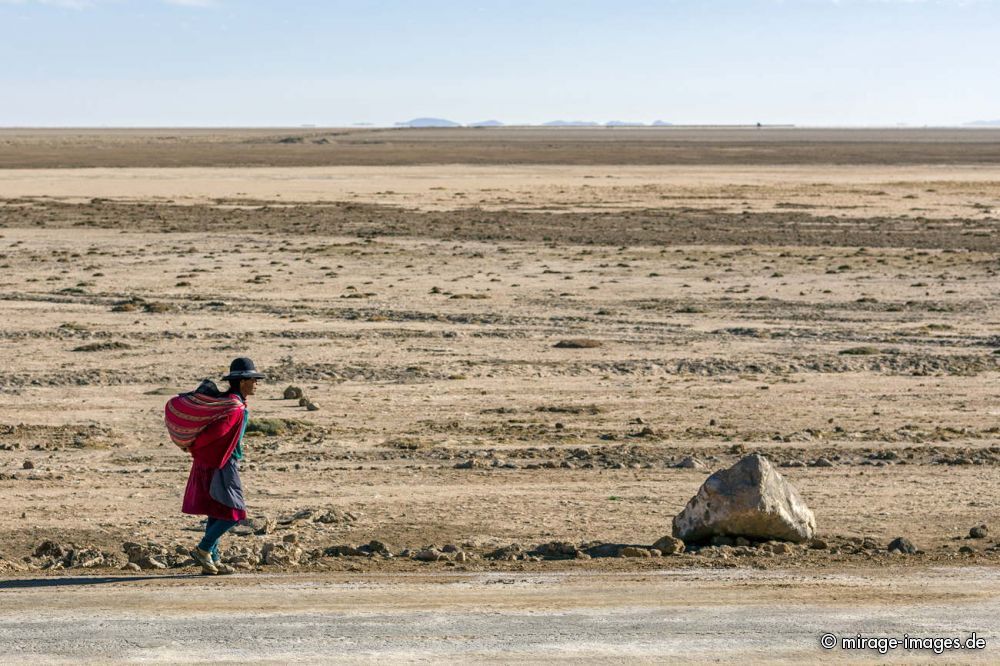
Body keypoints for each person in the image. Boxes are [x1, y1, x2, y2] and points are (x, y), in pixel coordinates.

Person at [181, 357, 264, 575]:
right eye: (254, 379)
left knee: (216, 510)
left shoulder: (230, 402)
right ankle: (204, 548)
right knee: (234, 512)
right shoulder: (234, 408)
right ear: (243, 381)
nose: (257, 383)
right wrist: (194, 448)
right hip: (221, 465)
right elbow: (214, 435)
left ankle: (212, 561)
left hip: (213, 463)